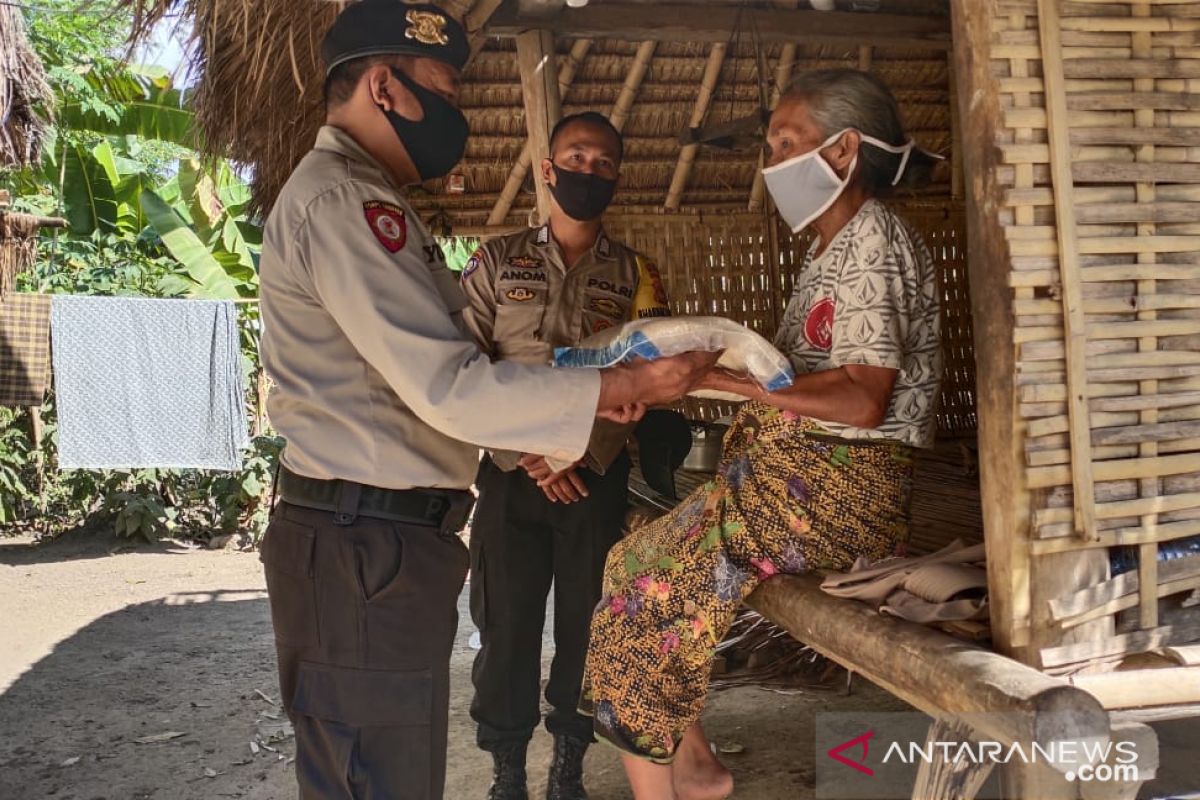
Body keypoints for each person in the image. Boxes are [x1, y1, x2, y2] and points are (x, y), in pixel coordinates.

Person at [256, 4, 715, 798]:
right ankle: (510, 764)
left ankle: (568, 755)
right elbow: (454, 382)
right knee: (389, 759)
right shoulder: (348, 207)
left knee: (565, 636)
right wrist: (617, 390)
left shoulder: (377, 206)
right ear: (384, 86)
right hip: (373, 533)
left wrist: (608, 406)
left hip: (399, 533)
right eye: (443, 89)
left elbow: (459, 360)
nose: (457, 114)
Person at [580, 68, 944, 800]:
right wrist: (676, 384)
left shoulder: (872, 238)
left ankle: (666, 792)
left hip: (840, 494)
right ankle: (696, 769)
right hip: (793, 488)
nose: (770, 163)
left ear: (841, 152)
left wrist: (744, 385)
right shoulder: (829, 249)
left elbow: (865, 400)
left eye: (785, 144)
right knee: (629, 562)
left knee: (644, 591)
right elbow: (793, 387)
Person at [460, 111, 673, 800]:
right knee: (507, 628)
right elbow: (464, 368)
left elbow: (650, 375)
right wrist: (528, 452)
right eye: (576, 158)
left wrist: (575, 451)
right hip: (510, 478)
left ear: (616, 176)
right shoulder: (494, 262)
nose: (589, 171)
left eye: (604, 163)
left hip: (593, 477)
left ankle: (568, 771)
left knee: (588, 629)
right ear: (548, 169)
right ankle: (508, 772)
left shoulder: (639, 276)